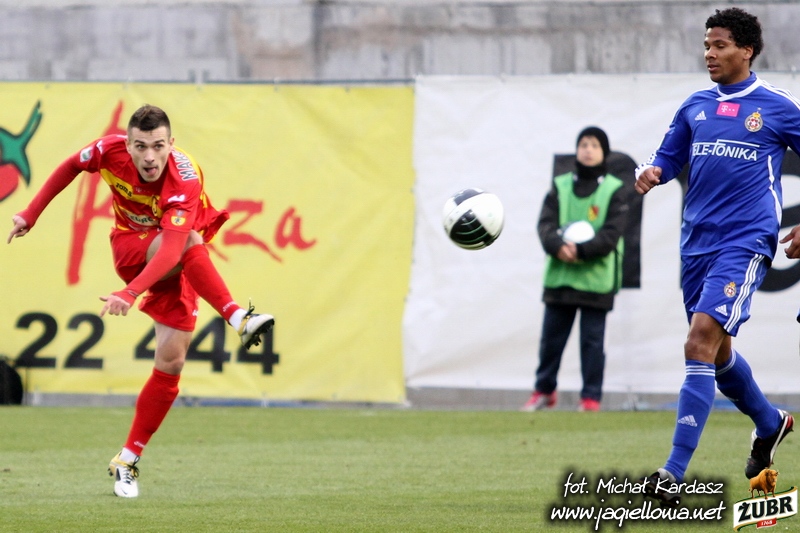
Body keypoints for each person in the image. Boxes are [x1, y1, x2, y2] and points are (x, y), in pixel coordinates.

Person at [7, 104, 275, 498]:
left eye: (158, 146)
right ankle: (238, 317)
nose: (150, 156)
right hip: (132, 250)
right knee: (191, 240)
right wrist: (31, 213)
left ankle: (127, 460)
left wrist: (131, 294)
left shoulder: (185, 178)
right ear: (128, 144)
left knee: (171, 362)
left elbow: (171, 253)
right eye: (141, 146)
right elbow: (71, 166)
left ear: (171, 144)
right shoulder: (108, 150)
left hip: (175, 263)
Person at [635, 8, 797, 508]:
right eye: (707, 45)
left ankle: (672, 473)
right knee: (717, 355)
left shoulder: (776, 106)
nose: (709, 53)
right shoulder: (696, 105)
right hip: (696, 244)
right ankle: (770, 422)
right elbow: (667, 156)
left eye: (720, 45)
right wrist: (652, 171)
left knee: (698, 342)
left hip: (745, 241)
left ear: (746, 50)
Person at [522, 126, 629, 413]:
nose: (588, 150)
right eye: (583, 144)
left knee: (592, 343)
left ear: (604, 152)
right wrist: (558, 246)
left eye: (594, 145)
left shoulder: (614, 190)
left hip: (596, 281)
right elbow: (545, 224)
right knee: (551, 341)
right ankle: (544, 391)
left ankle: (590, 397)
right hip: (561, 276)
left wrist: (580, 250)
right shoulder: (560, 186)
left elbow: (611, 234)